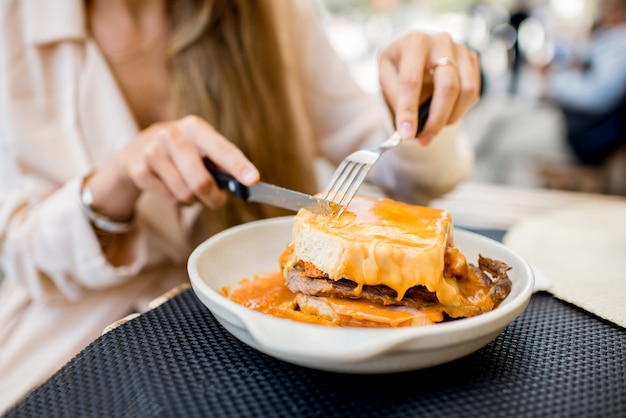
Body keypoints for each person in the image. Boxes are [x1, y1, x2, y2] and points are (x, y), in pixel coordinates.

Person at [0, 0, 480, 411]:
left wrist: (418, 105)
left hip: (278, 346)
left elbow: (408, 176)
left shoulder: (272, 12)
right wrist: (113, 183)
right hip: (70, 337)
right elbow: (18, 253)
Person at [542, 0, 626, 166]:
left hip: (581, 132)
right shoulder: (607, 37)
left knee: (500, 135)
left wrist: (553, 84)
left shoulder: (621, 39)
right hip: (574, 123)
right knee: (496, 118)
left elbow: (601, 94)